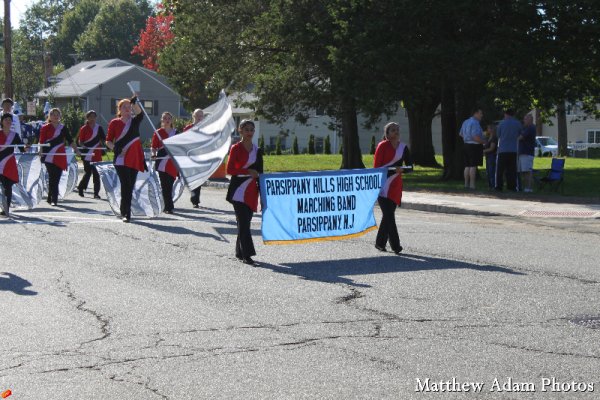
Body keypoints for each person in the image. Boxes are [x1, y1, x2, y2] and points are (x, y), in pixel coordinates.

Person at [226, 119, 263, 265]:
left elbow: (260, 173)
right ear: (240, 130)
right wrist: (247, 171)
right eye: (246, 129)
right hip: (238, 191)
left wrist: (262, 195)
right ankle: (247, 255)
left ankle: (239, 252)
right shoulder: (235, 148)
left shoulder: (257, 150)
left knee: (244, 223)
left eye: (251, 130)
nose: (249, 132)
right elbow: (230, 170)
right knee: (243, 223)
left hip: (252, 191)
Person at [373, 122, 412, 255]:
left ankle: (380, 243)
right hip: (383, 186)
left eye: (397, 129)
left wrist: (403, 170)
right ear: (387, 134)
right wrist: (392, 170)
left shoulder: (403, 147)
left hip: (396, 187)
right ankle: (396, 246)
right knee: (389, 215)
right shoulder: (382, 146)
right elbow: (377, 168)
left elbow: (410, 167)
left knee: (388, 216)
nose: (396, 132)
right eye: (393, 130)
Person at [105, 96, 145, 222]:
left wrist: (135, 103)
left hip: (134, 157)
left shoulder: (135, 121)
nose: (128, 109)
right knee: (126, 184)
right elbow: (108, 141)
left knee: (130, 186)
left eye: (129, 106)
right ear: (120, 109)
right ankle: (126, 213)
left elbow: (140, 114)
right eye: (124, 107)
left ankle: (125, 210)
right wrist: (116, 149)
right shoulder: (114, 122)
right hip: (121, 158)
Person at [39, 108, 80, 206]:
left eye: (57, 114)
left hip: (60, 155)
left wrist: (76, 150)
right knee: (52, 176)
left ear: (60, 116)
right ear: (50, 116)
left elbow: (70, 140)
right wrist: (40, 151)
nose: (56, 116)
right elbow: (41, 141)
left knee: (56, 177)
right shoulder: (45, 127)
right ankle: (54, 199)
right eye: (53, 114)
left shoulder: (63, 128)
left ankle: (50, 196)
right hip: (49, 155)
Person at [0, 114, 28, 216]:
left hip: (9, 164)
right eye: (6, 119)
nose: (8, 121)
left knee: (7, 187)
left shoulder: (15, 135)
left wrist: (25, 148)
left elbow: (21, 149)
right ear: (2, 121)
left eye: (10, 120)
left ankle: (6, 208)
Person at [151, 111, 179, 214]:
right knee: (164, 185)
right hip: (161, 162)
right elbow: (153, 147)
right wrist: (153, 154)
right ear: (162, 120)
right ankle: (168, 207)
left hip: (172, 163)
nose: (167, 120)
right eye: (165, 118)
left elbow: (179, 147)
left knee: (169, 185)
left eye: (169, 118)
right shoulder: (158, 132)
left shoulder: (176, 133)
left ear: (171, 120)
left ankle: (168, 205)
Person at [77, 110, 105, 199]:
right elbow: (80, 141)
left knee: (97, 174)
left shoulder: (99, 128)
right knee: (88, 173)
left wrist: (103, 142)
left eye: (94, 117)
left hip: (97, 153)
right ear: (87, 118)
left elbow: (104, 139)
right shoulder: (84, 128)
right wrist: (83, 146)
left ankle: (96, 193)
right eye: (90, 117)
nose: (92, 119)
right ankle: (81, 187)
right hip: (86, 153)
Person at [495, 108, 522, 192]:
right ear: (513, 115)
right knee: (512, 169)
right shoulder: (517, 123)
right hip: (513, 149)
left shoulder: (501, 123)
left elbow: (498, 135)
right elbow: (520, 133)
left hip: (502, 149)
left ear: (506, 114)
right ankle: (512, 187)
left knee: (500, 169)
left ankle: (499, 186)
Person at [459, 108, 485, 189]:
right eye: (480, 113)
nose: (482, 115)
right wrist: (484, 142)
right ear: (475, 113)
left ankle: (466, 184)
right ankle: (472, 185)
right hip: (474, 146)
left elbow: (461, 134)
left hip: (466, 145)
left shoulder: (466, 121)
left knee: (467, 166)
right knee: (473, 166)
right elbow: (475, 137)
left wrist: (467, 138)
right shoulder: (475, 123)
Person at [183, 108, 205, 208]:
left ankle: (196, 200)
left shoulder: (205, 129)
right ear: (193, 116)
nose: (199, 117)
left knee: (199, 178)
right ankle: (194, 199)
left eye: (201, 116)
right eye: (197, 115)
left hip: (201, 156)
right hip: (190, 157)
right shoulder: (188, 128)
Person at [518, 114, 536, 193]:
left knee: (527, 172)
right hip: (524, 153)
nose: (524, 121)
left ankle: (529, 188)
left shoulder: (530, 128)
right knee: (524, 172)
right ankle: (527, 188)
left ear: (530, 120)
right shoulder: (526, 128)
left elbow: (520, 137)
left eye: (525, 119)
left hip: (527, 153)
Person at [482, 124, 498, 189]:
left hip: (492, 156)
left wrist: (483, 151)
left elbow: (492, 148)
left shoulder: (494, 138)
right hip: (488, 156)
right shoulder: (488, 137)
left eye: (488, 128)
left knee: (491, 172)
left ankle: (493, 186)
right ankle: (490, 186)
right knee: (488, 172)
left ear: (492, 129)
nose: (487, 130)